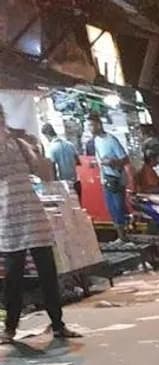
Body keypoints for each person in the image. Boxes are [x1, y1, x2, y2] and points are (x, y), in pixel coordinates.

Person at [0, 104, 80, 344]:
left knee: (47, 272)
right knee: (13, 277)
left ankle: (58, 324)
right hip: (8, 216)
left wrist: (35, 149)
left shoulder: (20, 144)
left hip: (33, 215)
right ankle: (10, 328)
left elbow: (44, 173)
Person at [88, 112, 130, 242]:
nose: (90, 128)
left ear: (99, 125)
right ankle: (121, 236)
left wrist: (113, 162)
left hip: (116, 179)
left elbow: (125, 159)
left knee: (118, 208)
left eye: (92, 125)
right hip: (106, 179)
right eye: (88, 126)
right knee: (111, 208)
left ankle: (123, 236)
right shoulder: (95, 141)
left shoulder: (111, 140)